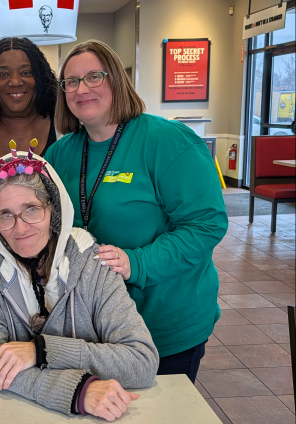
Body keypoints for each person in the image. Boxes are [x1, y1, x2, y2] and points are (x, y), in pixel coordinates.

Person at [44, 40, 228, 383]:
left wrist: (136, 262)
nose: (81, 88)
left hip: (162, 322)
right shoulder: (60, 154)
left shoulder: (168, 141)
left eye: (94, 77)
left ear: (116, 80)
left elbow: (206, 225)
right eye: (71, 81)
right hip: (90, 327)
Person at [0, 146, 158, 421]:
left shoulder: (94, 262)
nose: (20, 228)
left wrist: (41, 351)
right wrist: (77, 391)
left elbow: (141, 362)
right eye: (5, 215)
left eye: (31, 209)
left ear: (54, 210)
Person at [0, 37, 58, 156]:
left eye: (26, 72)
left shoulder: (65, 127)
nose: (15, 82)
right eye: (3, 74)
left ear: (41, 78)